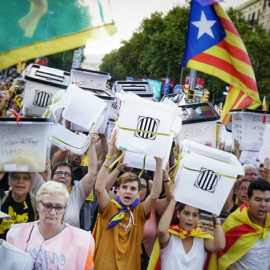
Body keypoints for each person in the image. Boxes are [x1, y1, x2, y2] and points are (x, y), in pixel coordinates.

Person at [93, 131, 163, 270]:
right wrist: (110, 156)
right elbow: (99, 189)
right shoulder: (110, 207)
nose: (128, 191)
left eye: (132, 189)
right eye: (124, 187)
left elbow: (155, 195)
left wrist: (159, 163)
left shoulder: (139, 211)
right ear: (117, 190)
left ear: (139, 194)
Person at [7, 181, 94, 270]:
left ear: (65, 209)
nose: (53, 212)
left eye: (59, 207)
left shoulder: (81, 240)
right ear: (37, 205)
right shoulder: (16, 234)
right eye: (47, 206)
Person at [154, 192, 225, 270]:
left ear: (198, 217)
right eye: (186, 213)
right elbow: (161, 230)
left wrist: (216, 216)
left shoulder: (203, 238)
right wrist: (173, 200)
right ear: (178, 214)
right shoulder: (170, 236)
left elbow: (219, 245)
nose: (190, 218)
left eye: (195, 215)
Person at [212, 179, 270, 269]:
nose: (263, 205)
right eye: (258, 200)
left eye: (267, 200)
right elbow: (219, 256)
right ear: (248, 200)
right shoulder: (234, 224)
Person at [51, 133, 98, 228]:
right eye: (59, 173)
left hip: (70, 242)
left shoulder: (76, 192)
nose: (63, 176)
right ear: (52, 177)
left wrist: (92, 145)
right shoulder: (44, 190)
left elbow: (92, 173)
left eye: (67, 174)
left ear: (72, 179)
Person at [0, 172, 36, 240]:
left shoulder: (36, 204)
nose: (20, 181)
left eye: (26, 178)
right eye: (15, 177)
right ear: (10, 181)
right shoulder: (1, 197)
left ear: (31, 183)